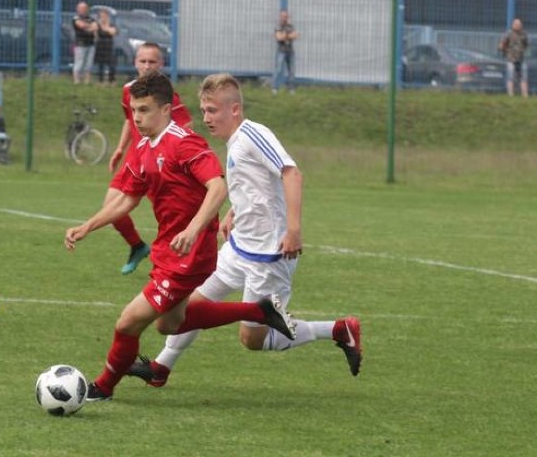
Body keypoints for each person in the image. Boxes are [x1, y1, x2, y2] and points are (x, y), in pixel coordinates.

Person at [64, 70, 297, 403]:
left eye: (144, 110)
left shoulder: (184, 143)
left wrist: (193, 229)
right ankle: (259, 311)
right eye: (133, 111)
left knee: (128, 323)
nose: (137, 118)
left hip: (189, 254)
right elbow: (128, 197)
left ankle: (102, 387)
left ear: (165, 110)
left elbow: (217, 187)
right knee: (170, 324)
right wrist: (88, 225)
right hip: (169, 250)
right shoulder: (144, 148)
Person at [127, 73, 362, 388]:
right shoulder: (235, 142)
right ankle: (161, 367)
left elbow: (291, 174)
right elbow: (258, 185)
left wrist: (293, 230)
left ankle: (337, 329)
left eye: (213, 111)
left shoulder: (253, 134)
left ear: (234, 109)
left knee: (251, 339)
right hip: (239, 248)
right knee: (190, 306)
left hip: (269, 255)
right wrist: (234, 211)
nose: (207, 118)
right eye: (204, 110)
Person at [107, 42, 192, 275]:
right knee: (112, 209)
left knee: (171, 219)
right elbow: (129, 120)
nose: (146, 66)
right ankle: (137, 246)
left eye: (152, 62)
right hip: (135, 160)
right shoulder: (128, 90)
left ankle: (181, 263)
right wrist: (120, 148)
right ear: (135, 62)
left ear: (161, 64)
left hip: (159, 163)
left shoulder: (167, 95)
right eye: (142, 61)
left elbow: (186, 126)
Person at [499, 18, 529, 98]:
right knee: (510, 76)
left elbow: (526, 44)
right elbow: (502, 44)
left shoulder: (524, 34)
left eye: (519, 25)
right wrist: (504, 50)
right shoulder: (508, 34)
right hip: (511, 58)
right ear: (513, 25)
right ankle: (510, 95)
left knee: (524, 77)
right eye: (516, 24)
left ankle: (525, 95)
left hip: (521, 58)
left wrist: (522, 51)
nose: (518, 26)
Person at [272, 10, 299, 94]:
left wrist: (285, 35)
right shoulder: (278, 26)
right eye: (283, 16)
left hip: (290, 51)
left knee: (292, 71)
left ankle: (291, 89)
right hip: (281, 51)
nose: (284, 18)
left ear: (288, 17)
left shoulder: (291, 26)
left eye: (286, 16)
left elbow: (296, 35)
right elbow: (279, 37)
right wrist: (288, 35)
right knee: (278, 69)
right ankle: (275, 88)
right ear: (280, 17)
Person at [71, 2, 97, 84]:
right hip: (80, 44)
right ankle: (76, 81)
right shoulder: (75, 18)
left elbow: (95, 27)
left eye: (84, 8)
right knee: (79, 62)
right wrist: (90, 27)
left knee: (89, 63)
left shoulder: (91, 18)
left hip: (91, 44)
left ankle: (87, 81)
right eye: (81, 8)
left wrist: (87, 27)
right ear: (78, 9)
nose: (83, 10)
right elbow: (81, 25)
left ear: (87, 9)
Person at [95, 8, 118, 85]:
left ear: (108, 16)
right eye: (101, 16)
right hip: (100, 46)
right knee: (100, 65)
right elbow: (95, 35)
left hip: (109, 47)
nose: (103, 17)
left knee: (112, 64)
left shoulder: (112, 25)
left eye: (105, 16)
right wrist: (100, 25)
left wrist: (105, 26)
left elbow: (113, 33)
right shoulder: (97, 25)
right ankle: (100, 81)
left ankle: (112, 81)